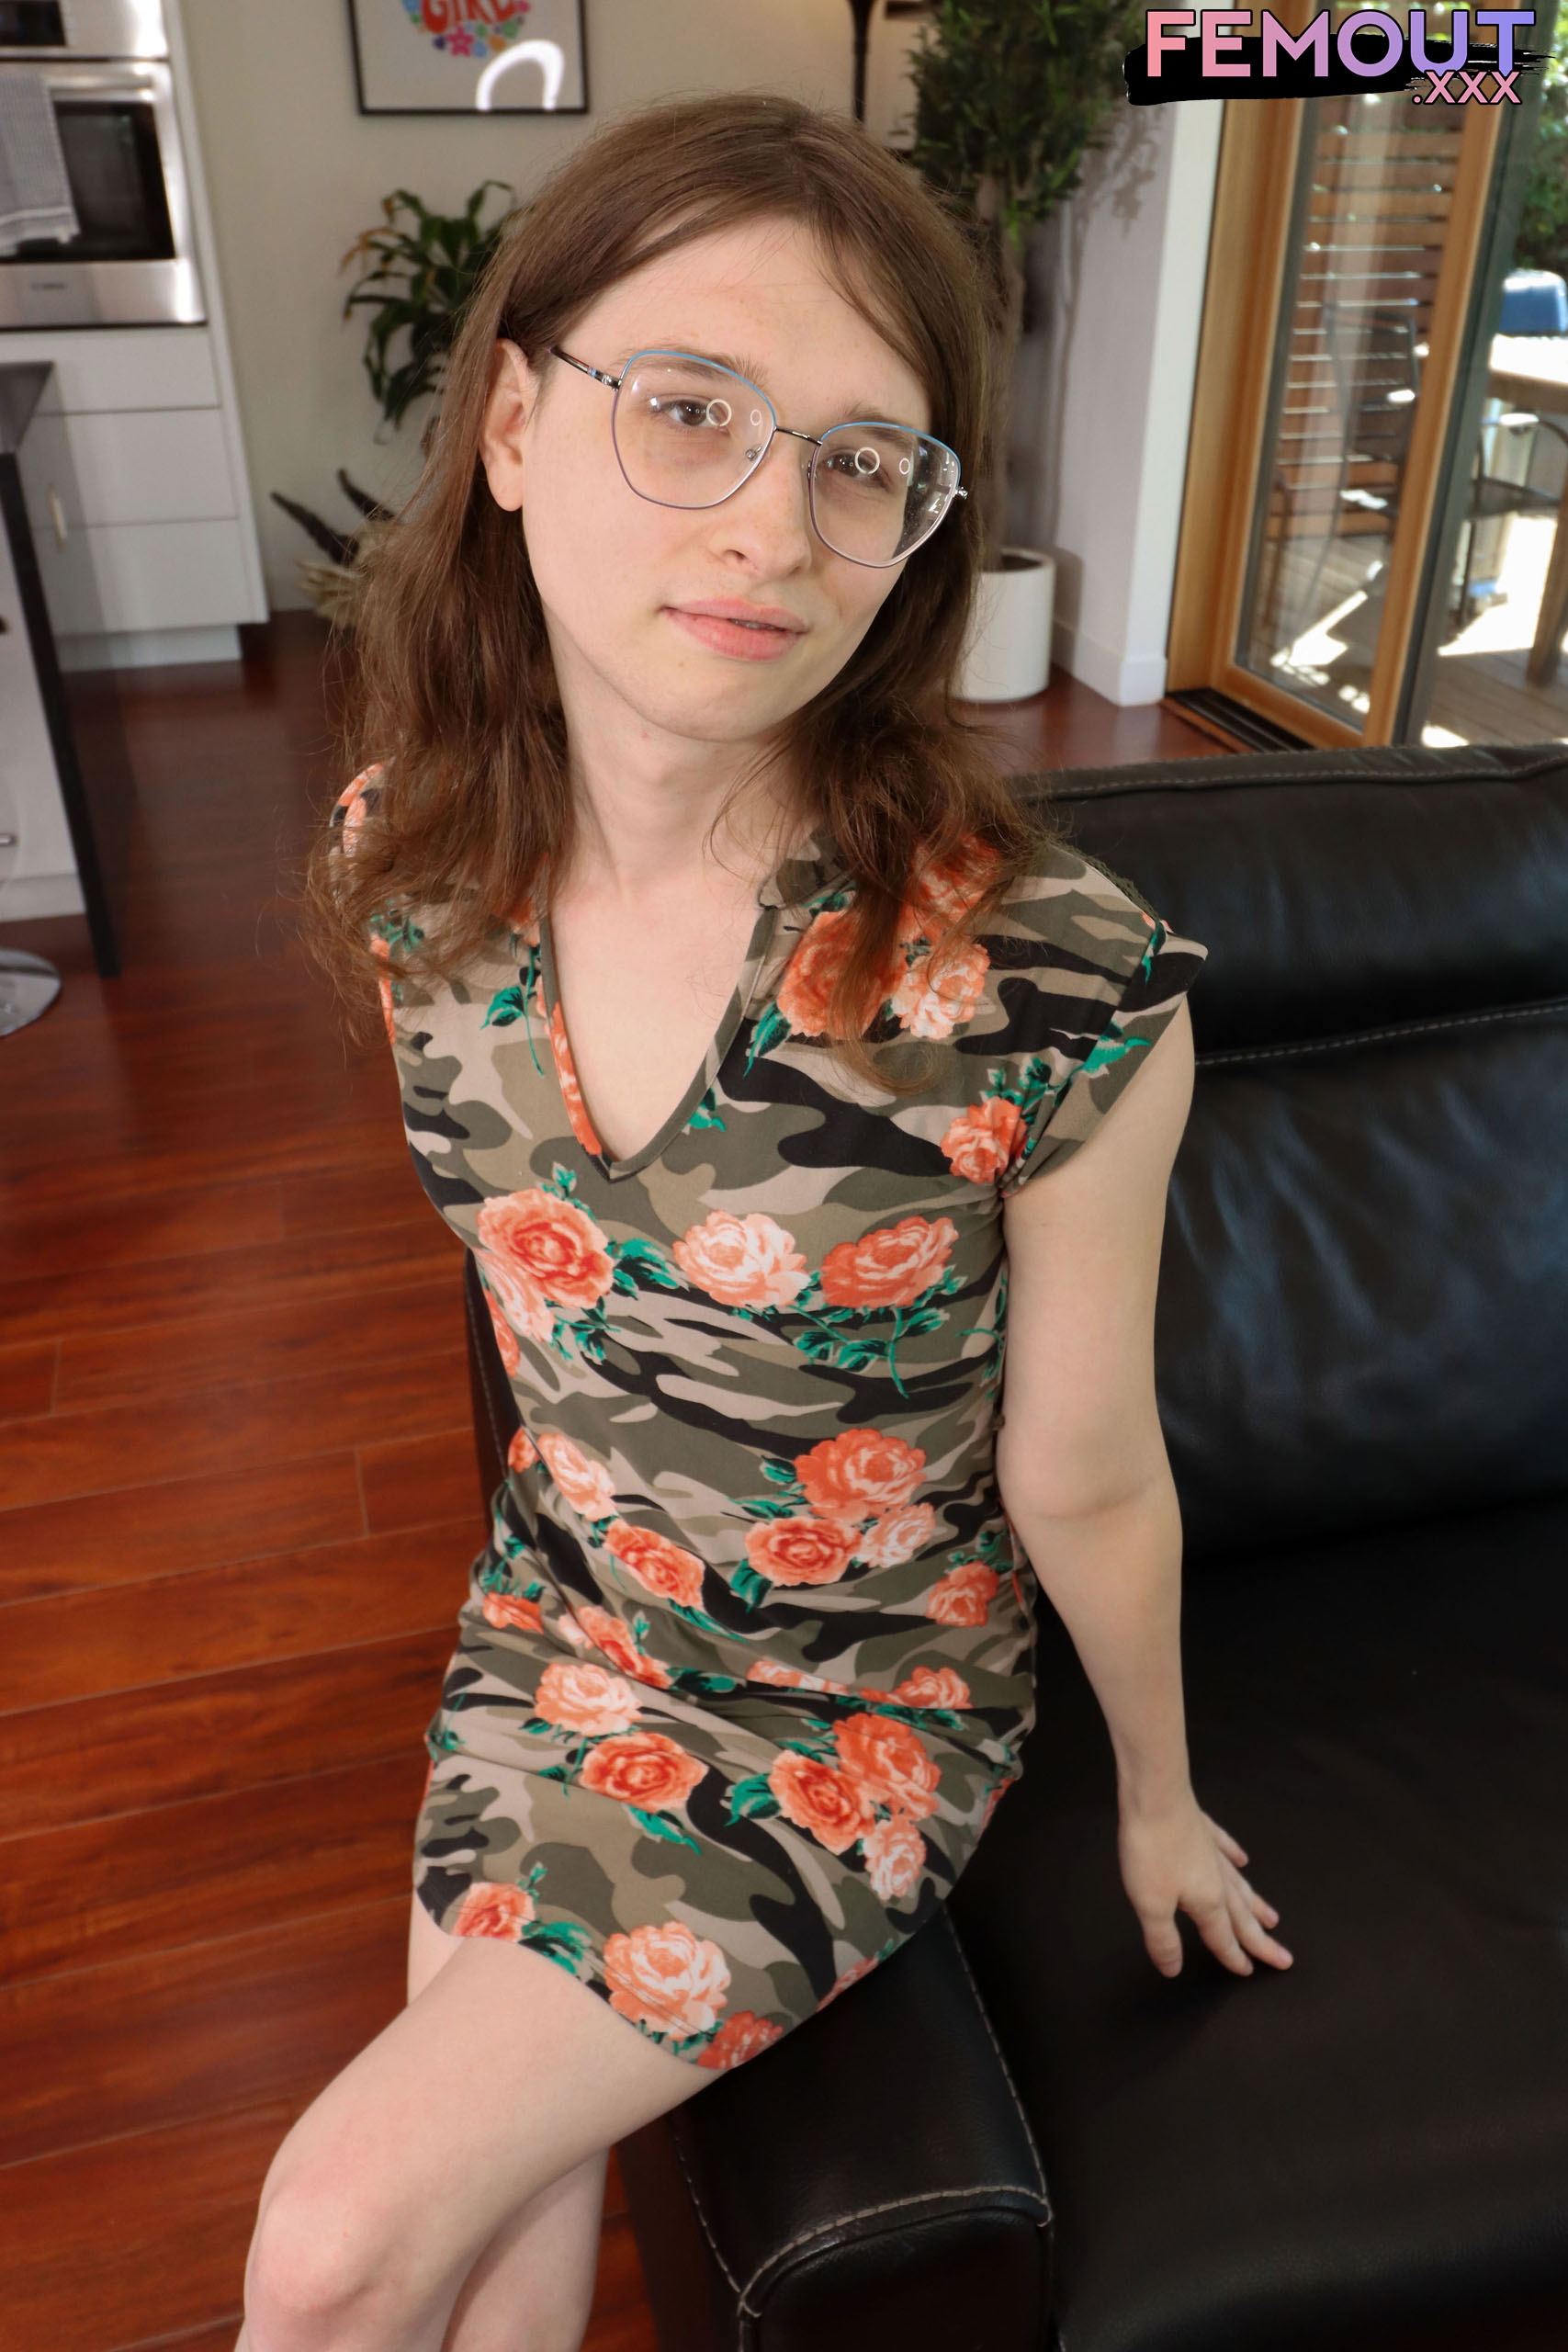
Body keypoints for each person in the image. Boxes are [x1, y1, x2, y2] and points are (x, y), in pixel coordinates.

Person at [241, 88, 1292, 2352]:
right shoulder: (408, 864)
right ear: (512, 426)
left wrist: (1156, 1801)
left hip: (843, 1708)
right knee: (487, 2256)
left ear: (915, 525)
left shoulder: (1049, 987)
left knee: (332, 2236)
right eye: (688, 406)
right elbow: (558, 1295)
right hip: (554, 1625)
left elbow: (1087, 1471)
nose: (769, 526)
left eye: (857, 458)